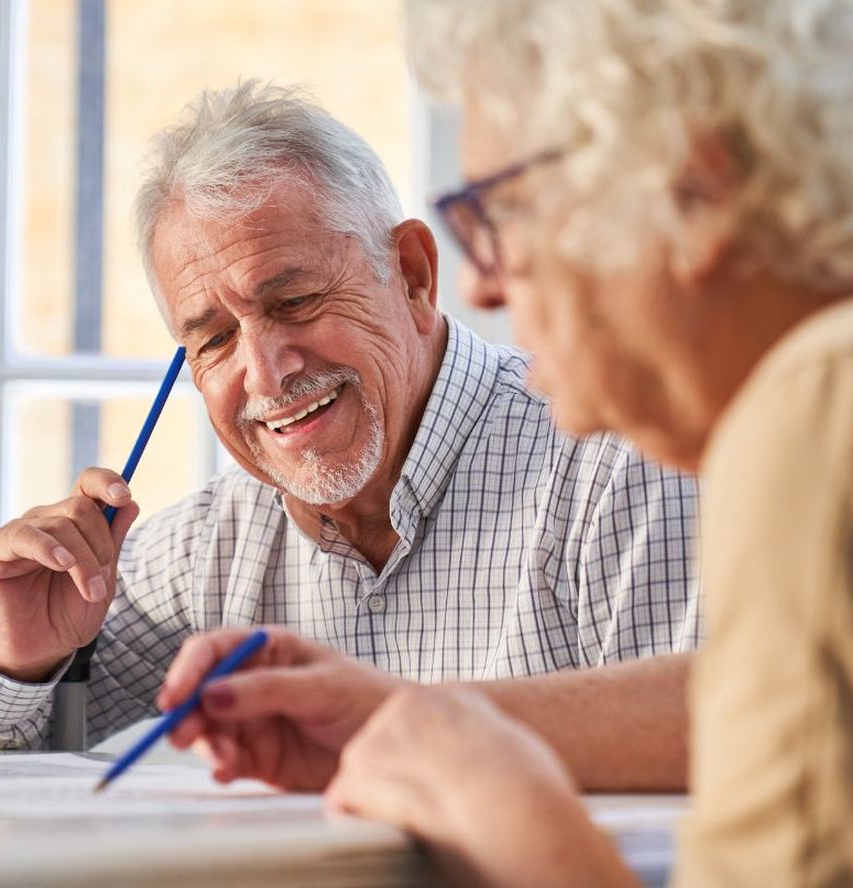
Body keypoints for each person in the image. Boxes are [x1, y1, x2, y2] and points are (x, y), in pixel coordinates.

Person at [169, 3, 853, 884]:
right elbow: (758, 706)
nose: (483, 287)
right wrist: (406, 716)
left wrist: (505, 816)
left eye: (501, 211)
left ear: (695, 190)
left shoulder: (811, 412)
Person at [0, 82, 700, 792]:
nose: (267, 373)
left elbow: (721, 760)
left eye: (295, 302)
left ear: (413, 275)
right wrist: (18, 657)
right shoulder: (217, 541)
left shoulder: (617, 467)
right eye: (212, 340)